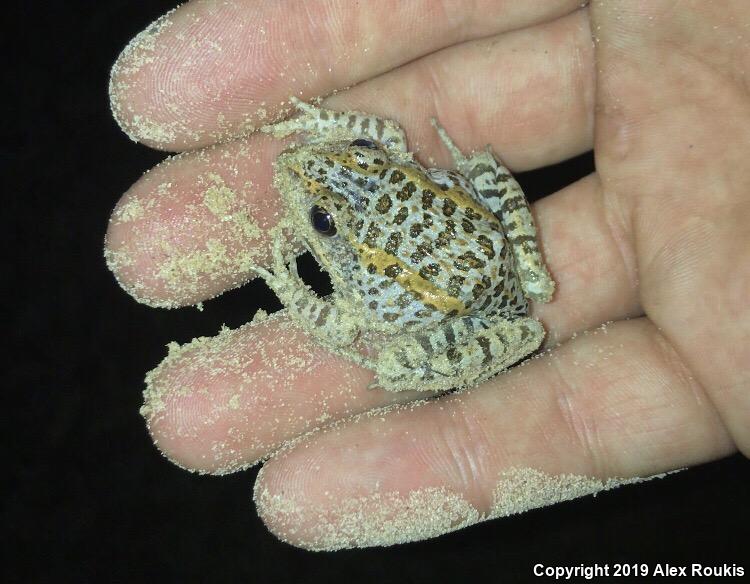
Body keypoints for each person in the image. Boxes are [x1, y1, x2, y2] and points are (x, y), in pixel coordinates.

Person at [105, 0, 749, 550]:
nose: (305, 169)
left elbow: (342, 323)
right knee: (484, 177)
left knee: (386, 363)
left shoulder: (363, 264)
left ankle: (474, 307)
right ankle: (512, 261)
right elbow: (380, 134)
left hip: (467, 312)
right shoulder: (378, 156)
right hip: (496, 252)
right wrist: (337, 132)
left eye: (322, 222)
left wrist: (294, 287)